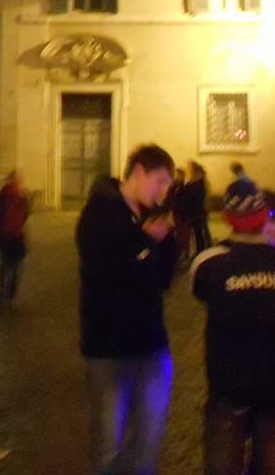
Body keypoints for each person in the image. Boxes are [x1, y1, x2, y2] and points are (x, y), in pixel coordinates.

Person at [190, 187, 275, 475]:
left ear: (229, 218)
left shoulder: (209, 264)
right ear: (264, 219)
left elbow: (200, 292)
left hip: (229, 386)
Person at [76, 143, 178, 475]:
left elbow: (163, 278)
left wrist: (168, 238)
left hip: (151, 347)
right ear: (137, 173)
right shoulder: (98, 216)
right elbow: (107, 276)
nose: (163, 191)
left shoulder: (151, 217)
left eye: (168, 184)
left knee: (148, 443)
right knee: (109, 446)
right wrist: (146, 243)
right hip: (109, 351)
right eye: (159, 181)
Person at [0, 171, 29, 308]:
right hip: (17, 237)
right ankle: (11, 294)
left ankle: (1, 294)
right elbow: (25, 215)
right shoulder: (22, 196)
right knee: (14, 266)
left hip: (3, 237)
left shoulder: (2, 194)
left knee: (2, 266)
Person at [178, 161, 212, 257]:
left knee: (199, 234)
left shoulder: (198, 184)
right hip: (196, 213)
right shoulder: (196, 183)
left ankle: (201, 251)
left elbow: (194, 199)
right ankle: (201, 250)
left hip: (196, 213)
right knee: (198, 234)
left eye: (191, 169)